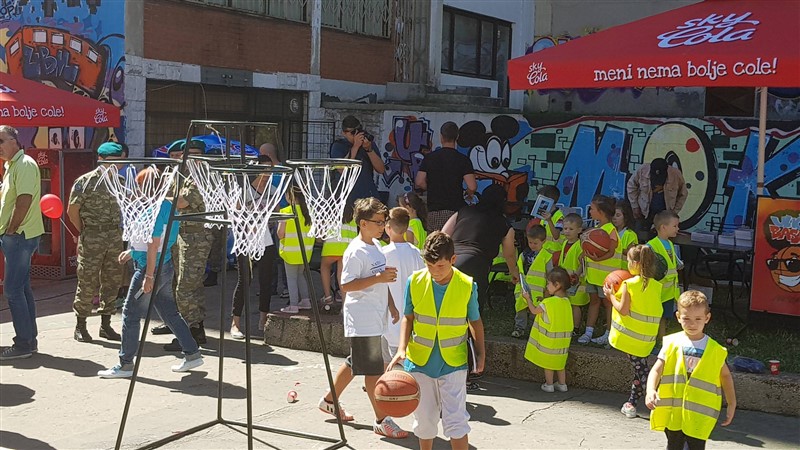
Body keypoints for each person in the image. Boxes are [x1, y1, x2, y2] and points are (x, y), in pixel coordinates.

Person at [97, 168, 204, 378]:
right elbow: (156, 240)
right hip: (161, 265)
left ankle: (125, 364)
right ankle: (192, 353)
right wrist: (133, 252)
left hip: (151, 268)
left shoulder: (158, 209)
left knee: (130, 313)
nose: (137, 190)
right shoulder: (166, 206)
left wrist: (148, 276)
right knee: (169, 312)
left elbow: (154, 243)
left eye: (140, 185)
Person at [317, 197, 407, 439]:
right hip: (362, 318)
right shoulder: (355, 250)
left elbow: (382, 279)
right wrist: (379, 279)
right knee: (372, 371)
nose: (382, 226)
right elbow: (346, 285)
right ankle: (381, 420)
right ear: (363, 223)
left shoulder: (376, 245)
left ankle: (329, 401)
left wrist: (391, 305)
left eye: (384, 221)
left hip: (375, 315)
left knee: (355, 362)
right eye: (378, 222)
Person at [387, 231, 484, 450]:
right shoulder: (414, 281)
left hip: (454, 363)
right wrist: (402, 348)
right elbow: (408, 317)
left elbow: (475, 322)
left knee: (456, 420)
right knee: (424, 420)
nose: (435, 271)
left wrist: (481, 355)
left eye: (440, 266)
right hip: (419, 361)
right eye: (429, 265)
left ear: (453, 259)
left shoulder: (467, 285)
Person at [646, 291, 736, 450]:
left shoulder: (715, 350)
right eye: (686, 318)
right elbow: (656, 370)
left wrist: (731, 403)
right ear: (678, 317)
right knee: (674, 445)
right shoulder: (672, 343)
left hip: (699, 414)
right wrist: (650, 390)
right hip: (674, 411)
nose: (692, 324)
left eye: (698, 319)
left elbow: (725, 376)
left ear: (707, 318)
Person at [67, 141, 125, 343]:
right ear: (100, 160)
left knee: (113, 280)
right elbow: (72, 211)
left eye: (119, 162)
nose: (115, 166)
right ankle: (80, 325)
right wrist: (84, 231)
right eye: (111, 161)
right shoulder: (85, 181)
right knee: (87, 280)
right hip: (92, 236)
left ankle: (106, 324)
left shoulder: (121, 181)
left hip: (114, 237)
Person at [160, 140, 213, 351]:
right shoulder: (183, 176)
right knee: (185, 284)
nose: (192, 158)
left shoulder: (201, 177)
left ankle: (189, 334)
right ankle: (195, 328)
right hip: (181, 235)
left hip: (196, 238)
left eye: (197, 154)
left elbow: (181, 202)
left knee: (186, 287)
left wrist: (160, 197)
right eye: (189, 154)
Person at [603, 245, 663, 419]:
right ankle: (632, 403)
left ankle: (656, 404)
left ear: (636, 263)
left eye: (628, 261)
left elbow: (623, 310)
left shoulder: (628, 284)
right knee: (640, 370)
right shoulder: (657, 286)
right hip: (646, 339)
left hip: (630, 338)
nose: (627, 264)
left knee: (643, 373)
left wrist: (610, 296)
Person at [0, 125, 44, 360]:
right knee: (22, 288)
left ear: (14, 142)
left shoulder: (24, 164)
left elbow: (24, 200)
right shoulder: (12, 165)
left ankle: (23, 344)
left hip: (19, 236)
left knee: (12, 290)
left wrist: (11, 229)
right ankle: (29, 340)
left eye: (1, 141)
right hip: (17, 236)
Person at [442, 184, 519, 310]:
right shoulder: (504, 224)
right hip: (477, 264)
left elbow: (443, 234)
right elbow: (509, 254)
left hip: (452, 260)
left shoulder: (464, 211)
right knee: (473, 309)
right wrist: (513, 271)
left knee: (448, 304)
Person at [415, 122, 477, 232]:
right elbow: (472, 186)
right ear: (457, 137)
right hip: (455, 211)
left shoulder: (430, 158)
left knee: (435, 240)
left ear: (441, 137)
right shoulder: (463, 160)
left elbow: (419, 181)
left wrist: (431, 187)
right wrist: (468, 193)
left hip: (434, 209)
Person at [381, 206, 424, 364]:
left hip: (388, 318)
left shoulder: (383, 253)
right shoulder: (416, 253)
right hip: (410, 320)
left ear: (388, 227)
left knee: (386, 363)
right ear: (407, 228)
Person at [522, 267, 573, 393]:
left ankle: (549, 384)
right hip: (563, 342)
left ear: (557, 285)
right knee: (560, 364)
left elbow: (534, 311)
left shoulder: (548, 303)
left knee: (548, 364)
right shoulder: (566, 301)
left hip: (549, 341)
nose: (546, 286)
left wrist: (528, 299)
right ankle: (562, 384)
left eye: (548, 283)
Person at [578, 195, 620, 346]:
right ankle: (588, 332)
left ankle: (609, 334)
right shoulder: (596, 229)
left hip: (606, 277)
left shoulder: (611, 230)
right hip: (593, 275)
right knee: (594, 301)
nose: (590, 211)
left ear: (601, 212)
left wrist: (594, 258)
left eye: (592, 209)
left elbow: (611, 252)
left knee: (608, 305)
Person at [627, 158, 688, 241]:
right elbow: (631, 186)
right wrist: (635, 206)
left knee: (664, 240)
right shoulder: (642, 170)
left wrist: (674, 212)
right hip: (644, 213)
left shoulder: (675, 174)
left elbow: (683, 194)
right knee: (638, 237)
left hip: (665, 215)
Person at [329, 116, 384, 203]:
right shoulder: (338, 146)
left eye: (359, 130)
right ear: (344, 133)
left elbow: (381, 169)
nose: (356, 135)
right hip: (346, 197)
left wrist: (369, 149)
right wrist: (355, 146)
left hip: (368, 194)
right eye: (353, 132)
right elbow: (341, 169)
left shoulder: (368, 144)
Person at [277, 187, 314, 314]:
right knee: (300, 275)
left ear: (290, 196)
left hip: (290, 252)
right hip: (305, 252)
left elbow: (280, 234)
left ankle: (293, 305)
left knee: (291, 278)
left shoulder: (286, 211)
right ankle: (305, 300)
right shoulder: (308, 212)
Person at [512, 225, 554, 338]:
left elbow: (550, 274)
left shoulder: (546, 256)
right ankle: (519, 328)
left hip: (537, 290)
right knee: (520, 308)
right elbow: (519, 268)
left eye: (535, 243)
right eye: (530, 242)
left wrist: (548, 290)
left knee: (535, 311)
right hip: (523, 288)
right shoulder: (524, 254)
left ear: (543, 241)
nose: (532, 245)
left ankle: (535, 330)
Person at [647, 210, 682, 343]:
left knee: (663, 317)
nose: (677, 229)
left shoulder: (670, 244)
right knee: (654, 316)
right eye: (675, 226)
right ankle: (652, 340)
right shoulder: (651, 245)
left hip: (668, 291)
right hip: (656, 291)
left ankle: (661, 340)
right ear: (663, 227)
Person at [556, 213, 589, 336]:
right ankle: (566, 325)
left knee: (576, 305)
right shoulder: (565, 243)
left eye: (571, 229)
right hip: (565, 279)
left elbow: (583, 262)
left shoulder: (580, 245)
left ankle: (575, 328)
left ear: (579, 230)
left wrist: (577, 275)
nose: (567, 231)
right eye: (565, 228)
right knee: (566, 303)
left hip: (577, 281)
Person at [320, 206, 357, 307]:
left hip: (331, 247)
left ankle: (328, 297)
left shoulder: (328, 212)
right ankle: (344, 304)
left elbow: (321, 235)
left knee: (325, 267)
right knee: (341, 275)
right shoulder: (353, 214)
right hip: (347, 248)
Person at [530, 185, 563, 252]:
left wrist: (549, 220)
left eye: (541, 199)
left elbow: (556, 236)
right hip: (544, 251)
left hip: (554, 252)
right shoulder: (543, 216)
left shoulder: (559, 217)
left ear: (550, 200)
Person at [613, 198, 639, 271]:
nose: (614, 218)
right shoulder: (611, 231)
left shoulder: (630, 234)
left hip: (625, 270)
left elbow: (632, 254)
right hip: (613, 270)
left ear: (625, 217)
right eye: (613, 215)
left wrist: (615, 248)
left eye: (618, 215)